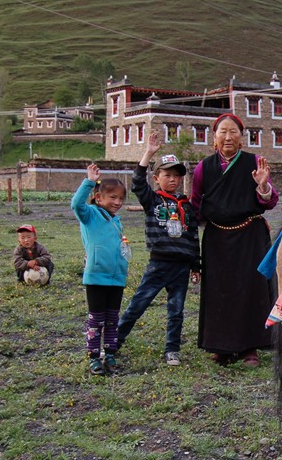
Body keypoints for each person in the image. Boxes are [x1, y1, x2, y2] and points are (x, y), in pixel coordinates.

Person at [190, 113, 278, 367]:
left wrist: (263, 185)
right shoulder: (203, 167)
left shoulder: (254, 163)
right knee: (219, 290)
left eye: (233, 132)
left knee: (250, 289)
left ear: (241, 138)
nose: (228, 137)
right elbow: (196, 203)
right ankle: (222, 347)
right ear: (214, 137)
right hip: (217, 238)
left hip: (250, 236)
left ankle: (250, 348)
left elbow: (270, 201)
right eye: (223, 132)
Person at [117, 132, 201, 366]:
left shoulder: (187, 205)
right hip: (159, 264)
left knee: (176, 311)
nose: (172, 179)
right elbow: (137, 183)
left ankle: (172, 349)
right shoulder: (152, 200)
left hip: (181, 267)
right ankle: (115, 341)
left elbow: (194, 236)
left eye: (176, 175)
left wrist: (196, 265)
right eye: (167, 175)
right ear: (156, 178)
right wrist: (148, 154)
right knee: (138, 304)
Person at [72, 164, 130, 376]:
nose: (118, 202)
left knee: (113, 319)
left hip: (116, 277)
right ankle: (94, 357)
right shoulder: (90, 215)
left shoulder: (116, 221)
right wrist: (89, 181)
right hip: (96, 277)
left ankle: (110, 353)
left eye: (121, 198)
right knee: (96, 320)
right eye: (113, 197)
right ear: (98, 197)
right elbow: (76, 204)